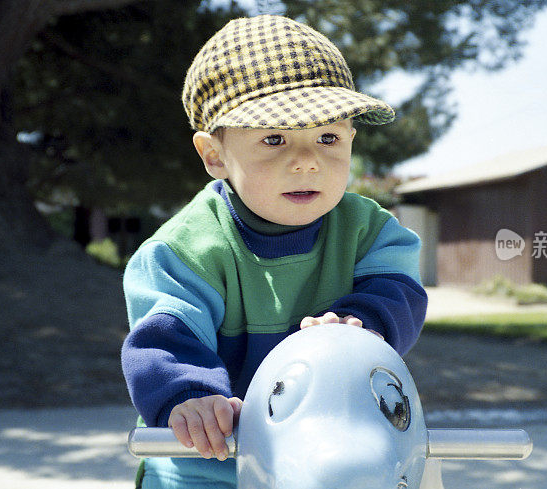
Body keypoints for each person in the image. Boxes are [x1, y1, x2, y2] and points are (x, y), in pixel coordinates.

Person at [121, 14, 427, 489]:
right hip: (210, 459)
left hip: (325, 455)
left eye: (328, 137)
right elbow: (167, 336)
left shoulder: (372, 231)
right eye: (274, 138)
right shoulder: (183, 250)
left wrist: (361, 324)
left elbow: (398, 291)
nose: (306, 160)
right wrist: (192, 397)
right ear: (214, 155)